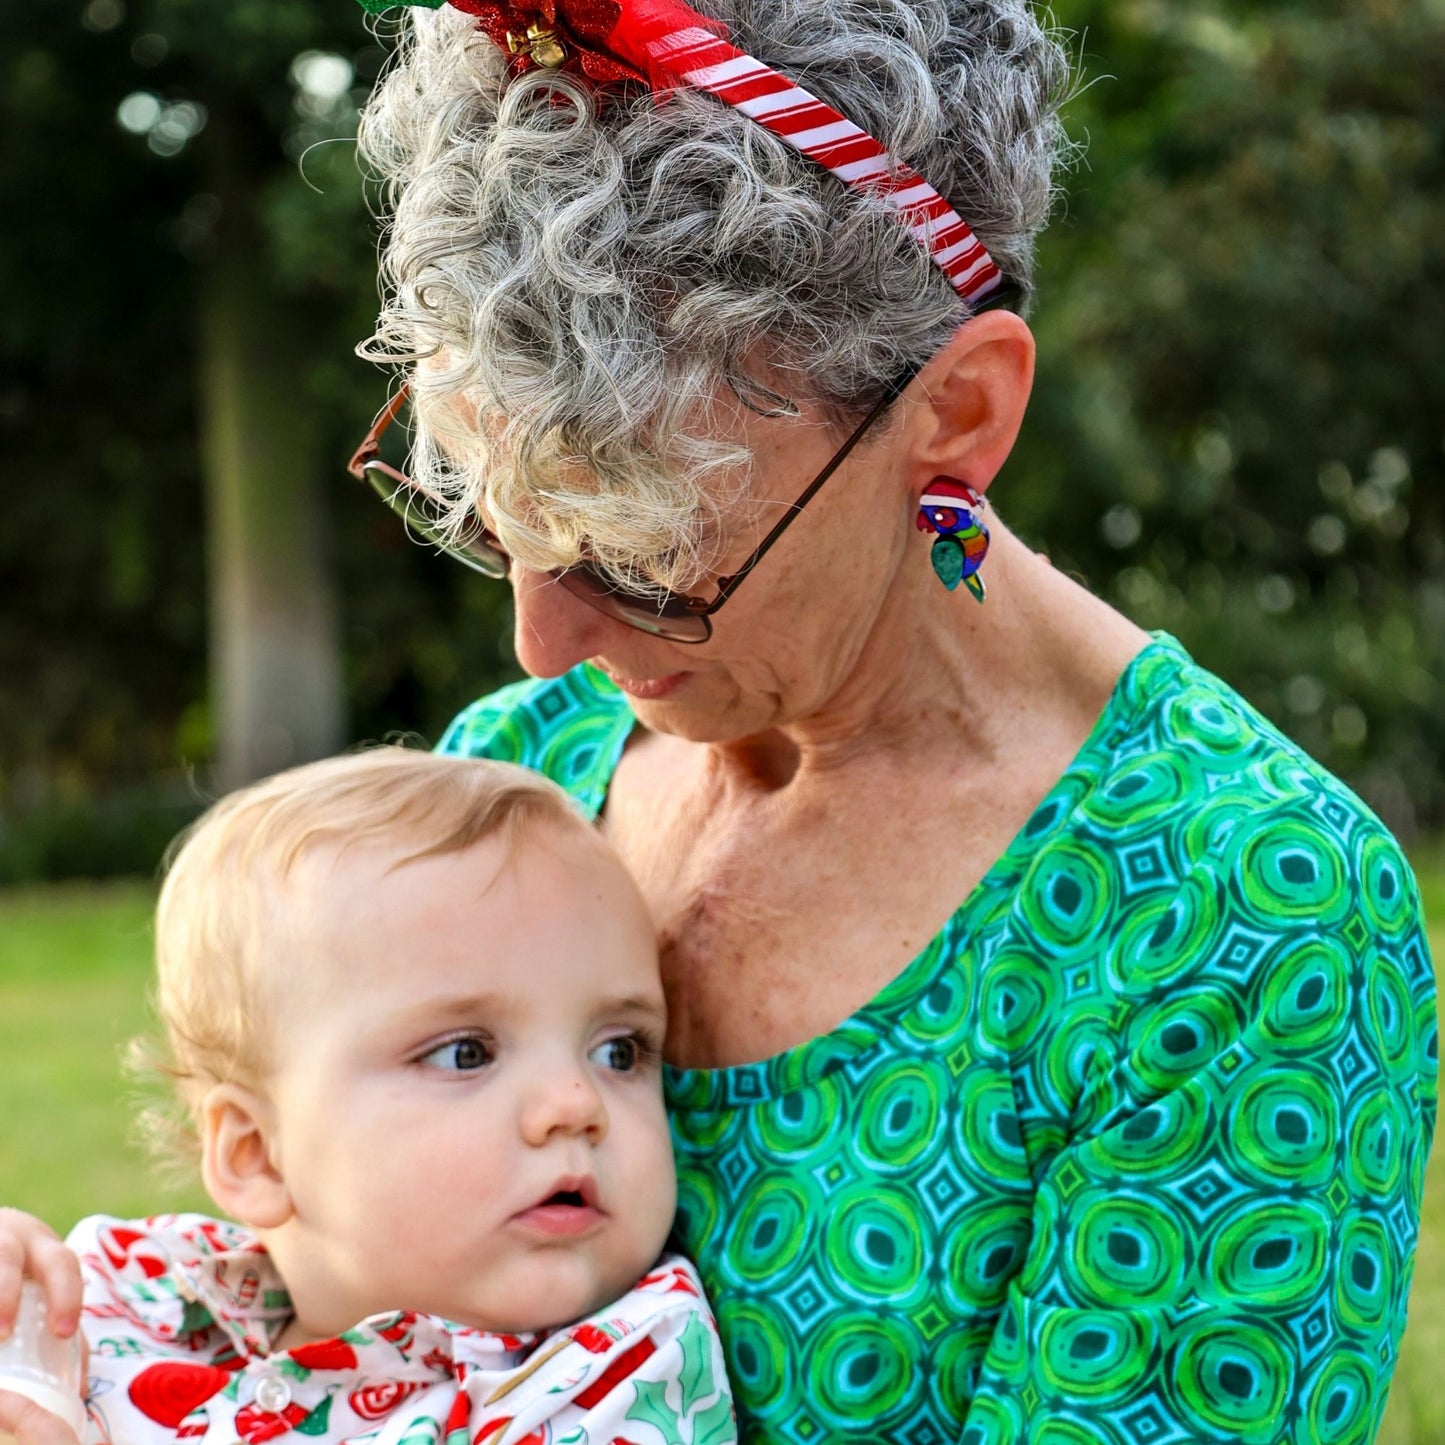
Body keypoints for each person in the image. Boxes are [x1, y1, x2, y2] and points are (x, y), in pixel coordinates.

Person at [337, 0, 1439, 1441]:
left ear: (957, 417)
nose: (543, 647)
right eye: (496, 521)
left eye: (644, 555)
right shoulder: (518, 787)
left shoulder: (1237, 915)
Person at [0, 750, 734, 1445]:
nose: (576, 1103)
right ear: (258, 1153)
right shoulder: (137, 1291)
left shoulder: (620, 1368)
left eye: (620, 1050)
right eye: (466, 1053)